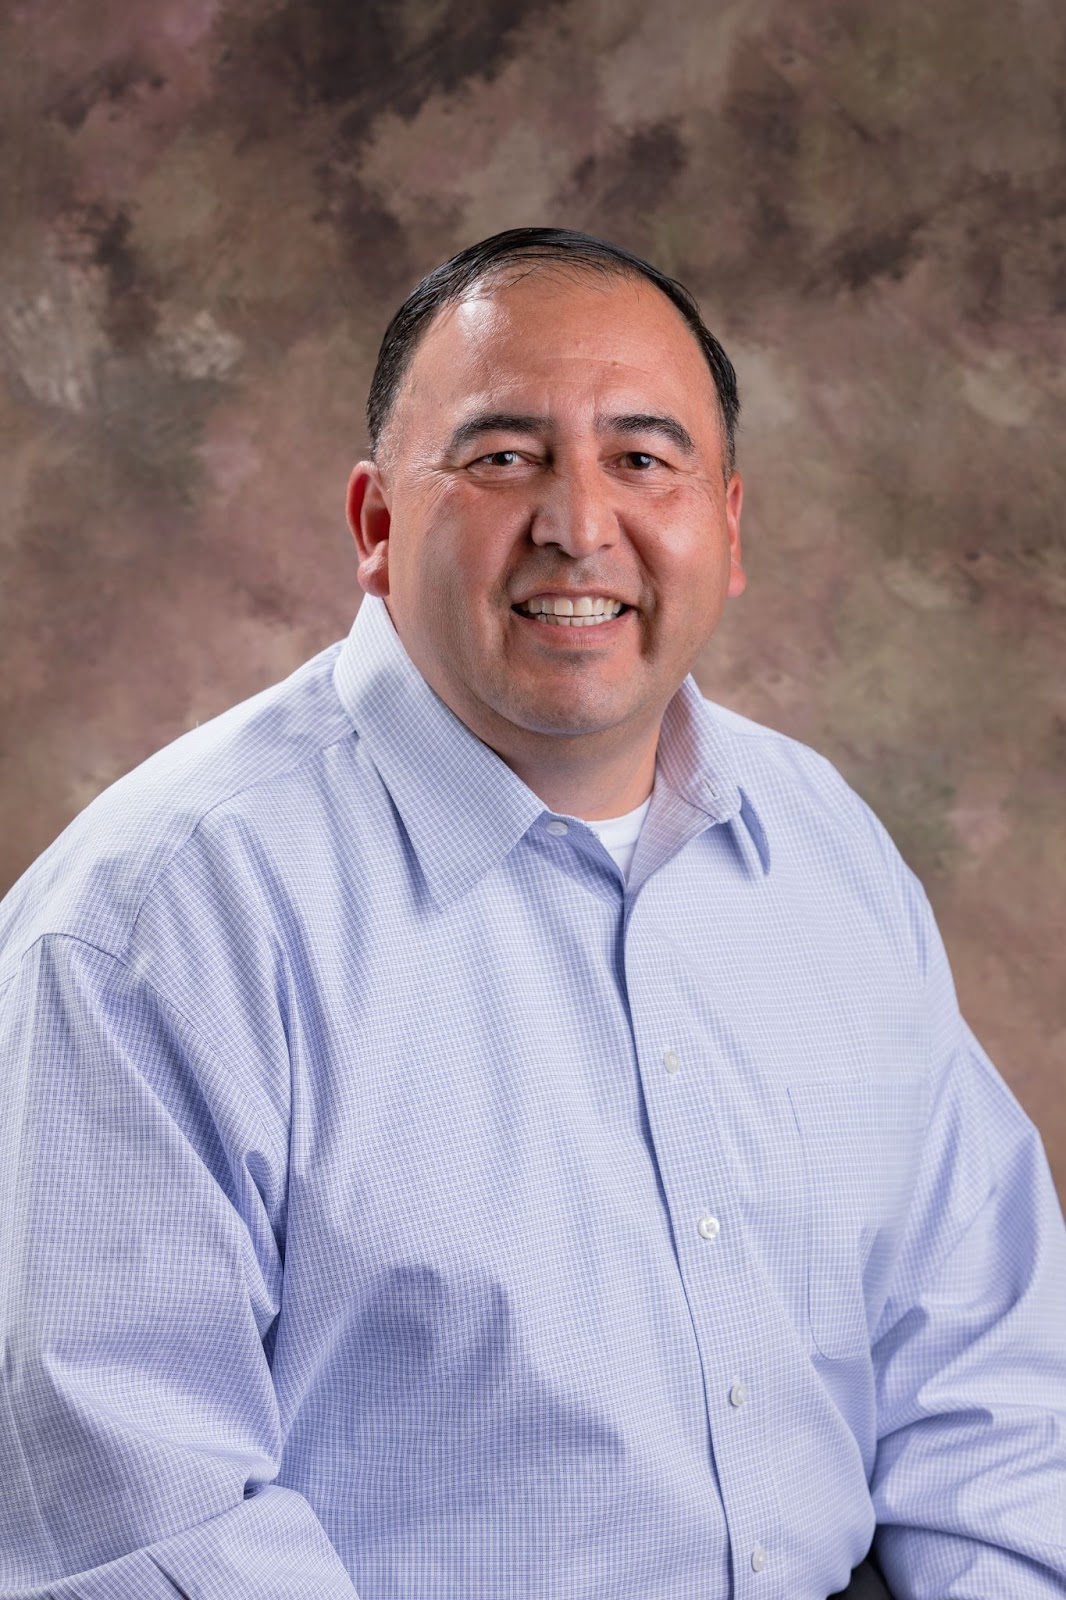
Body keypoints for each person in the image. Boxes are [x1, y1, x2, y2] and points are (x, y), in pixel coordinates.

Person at [0, 227, 1063, 1600]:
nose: (578, 523)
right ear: (377, 526)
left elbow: (989, 1383)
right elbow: (145, 1530)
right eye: (504, 457)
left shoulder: (825, 852)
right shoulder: (155, 926)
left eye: (643, 459)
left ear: (727, 527)